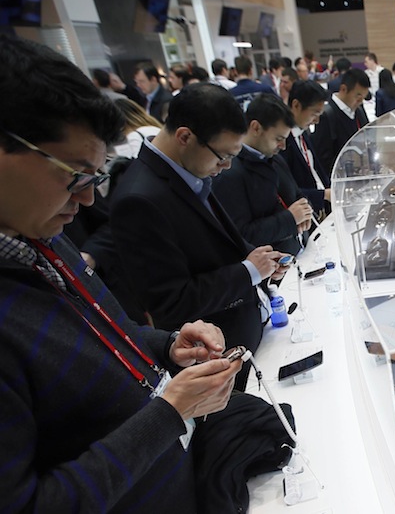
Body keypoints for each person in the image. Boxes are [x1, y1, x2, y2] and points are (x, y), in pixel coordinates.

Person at [0, 33, 241, 513]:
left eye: (94, 177)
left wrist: (167, 344)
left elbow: (95, 331)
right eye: (74, 175)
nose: (88, 200)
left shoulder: (39, 235)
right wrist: (168, 414)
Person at [110, 83, 290, 391]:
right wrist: (248, 272)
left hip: (250, 334)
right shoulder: (138, 199)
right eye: (221, 156)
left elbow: (218, 238)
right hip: (218, 357)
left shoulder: (190, 170)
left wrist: (261, 261)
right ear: (185, 137)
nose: (226, 167)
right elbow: (172, 303)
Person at [214, 94, 313, 256]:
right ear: (256, 128)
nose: (283, 146)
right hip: (272, 268)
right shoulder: (229, 172)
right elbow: (242, 234)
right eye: (278, 138)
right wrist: (290, 218)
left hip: (301, 250)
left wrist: (305, 210)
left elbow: (296, 195)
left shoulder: (274, 158)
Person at [281, 80, 331, 215]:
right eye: (314, 114)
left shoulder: (303, 132)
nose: (316, 121)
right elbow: (286, 190)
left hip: (320, 208)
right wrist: (322, 195)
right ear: (296, 105)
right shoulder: (282, 141)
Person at [312, 67, 371, 175]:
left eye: (363, 97)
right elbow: (323, 159)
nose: (360, 101)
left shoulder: (359, 111)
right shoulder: (327, 115)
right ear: (343, 89)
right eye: (358, 96)